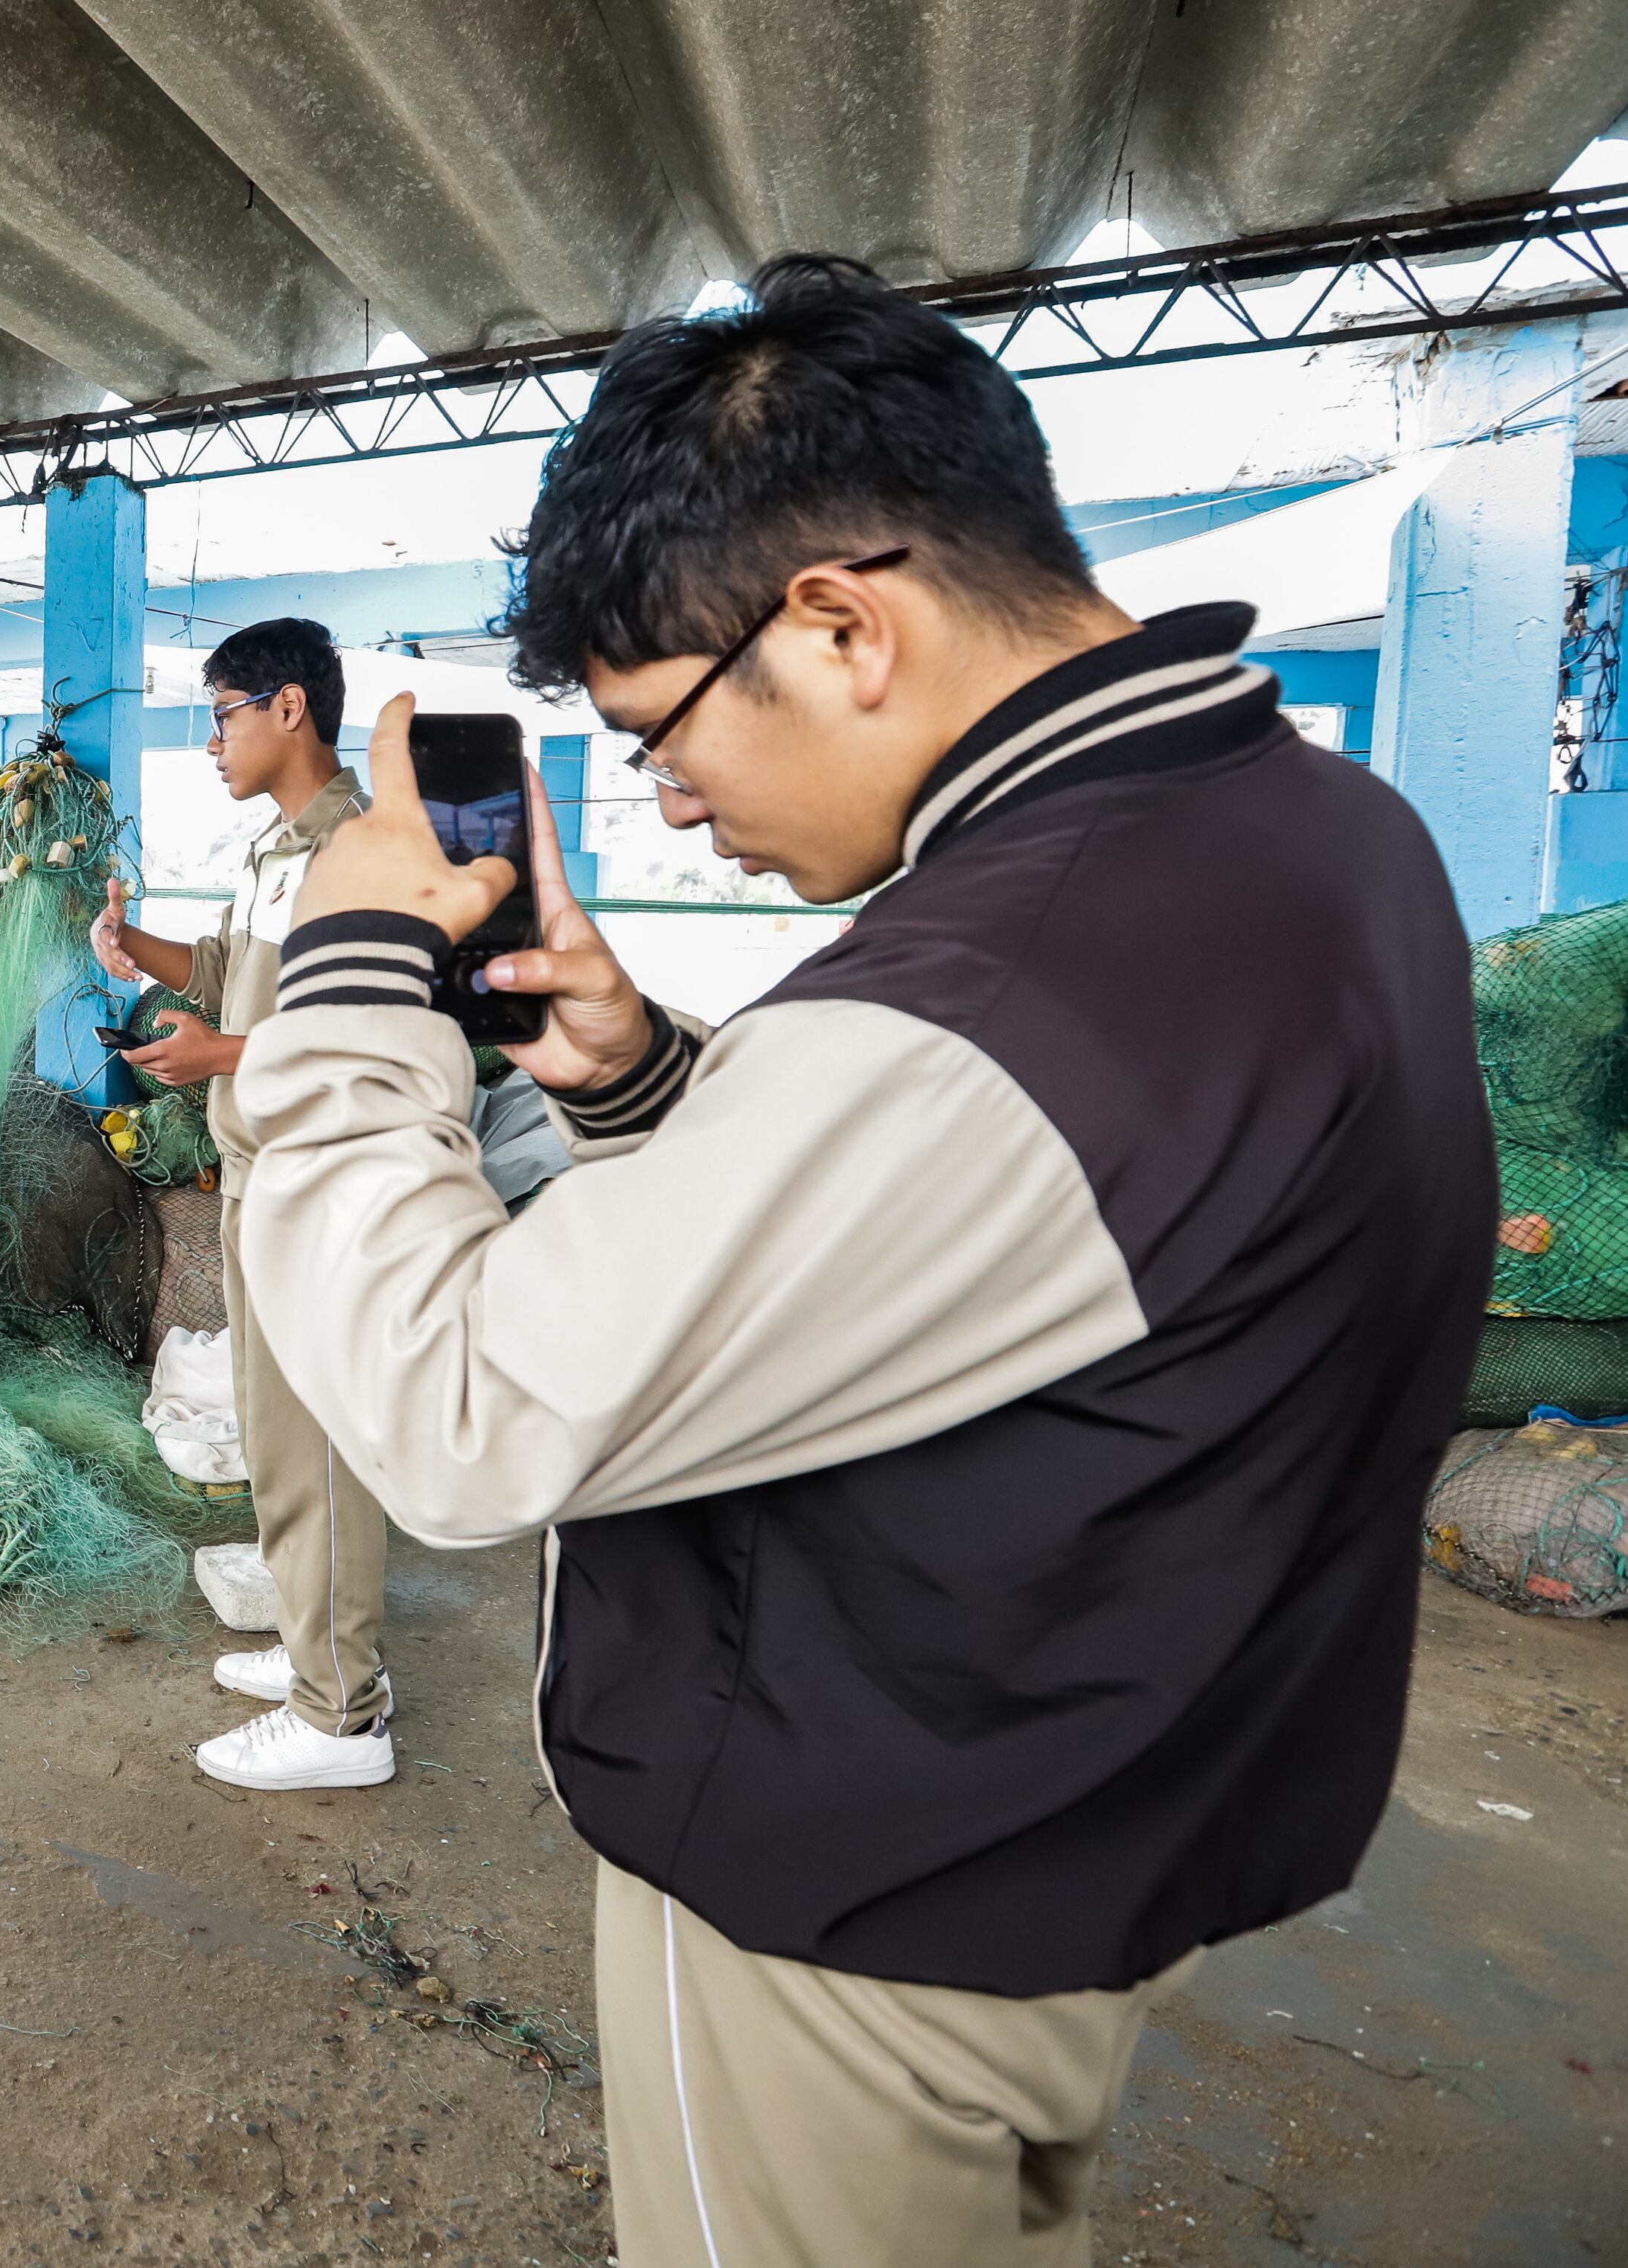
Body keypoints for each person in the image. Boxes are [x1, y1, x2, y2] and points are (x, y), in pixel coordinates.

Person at [230, 256, 1490, 2267]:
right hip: (1104, 1805)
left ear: (840, 624)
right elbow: (1034, 1239)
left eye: (662, 733)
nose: (677, 804)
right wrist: (647, 1081)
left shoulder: (981, 996)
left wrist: (359, 974)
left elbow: (462, 1415)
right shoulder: (1316, 833)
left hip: (868, 1884)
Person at [90, 619, 398, 1792]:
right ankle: (323, 1646)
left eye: (219, 713)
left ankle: (342, 1716)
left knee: (317, 1438)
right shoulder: (277, 851)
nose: (210, 740)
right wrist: (136, 952)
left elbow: (368, 1037)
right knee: (281, 1431)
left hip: (320, 1173)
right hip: (261, 1170)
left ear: (287, 710)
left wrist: (222, 1058)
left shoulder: (362, 852)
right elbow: (227, 973)